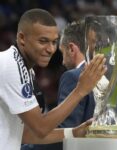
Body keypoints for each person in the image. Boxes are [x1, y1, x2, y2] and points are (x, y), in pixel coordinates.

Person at [0, 9, 107, 150]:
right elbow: (41, 128)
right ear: (22, 38)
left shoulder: (24, 69)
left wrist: (73, 132)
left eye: (54, 42)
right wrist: (80, 90)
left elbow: (25, 134)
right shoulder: (11, 66)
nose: (51, 49)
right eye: (43, 41)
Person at [57, 21, 117, 138]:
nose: (63, 62)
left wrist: (28, 145)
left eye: (62, 53)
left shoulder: (73, 77)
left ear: (71, 49)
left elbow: (64, 136)